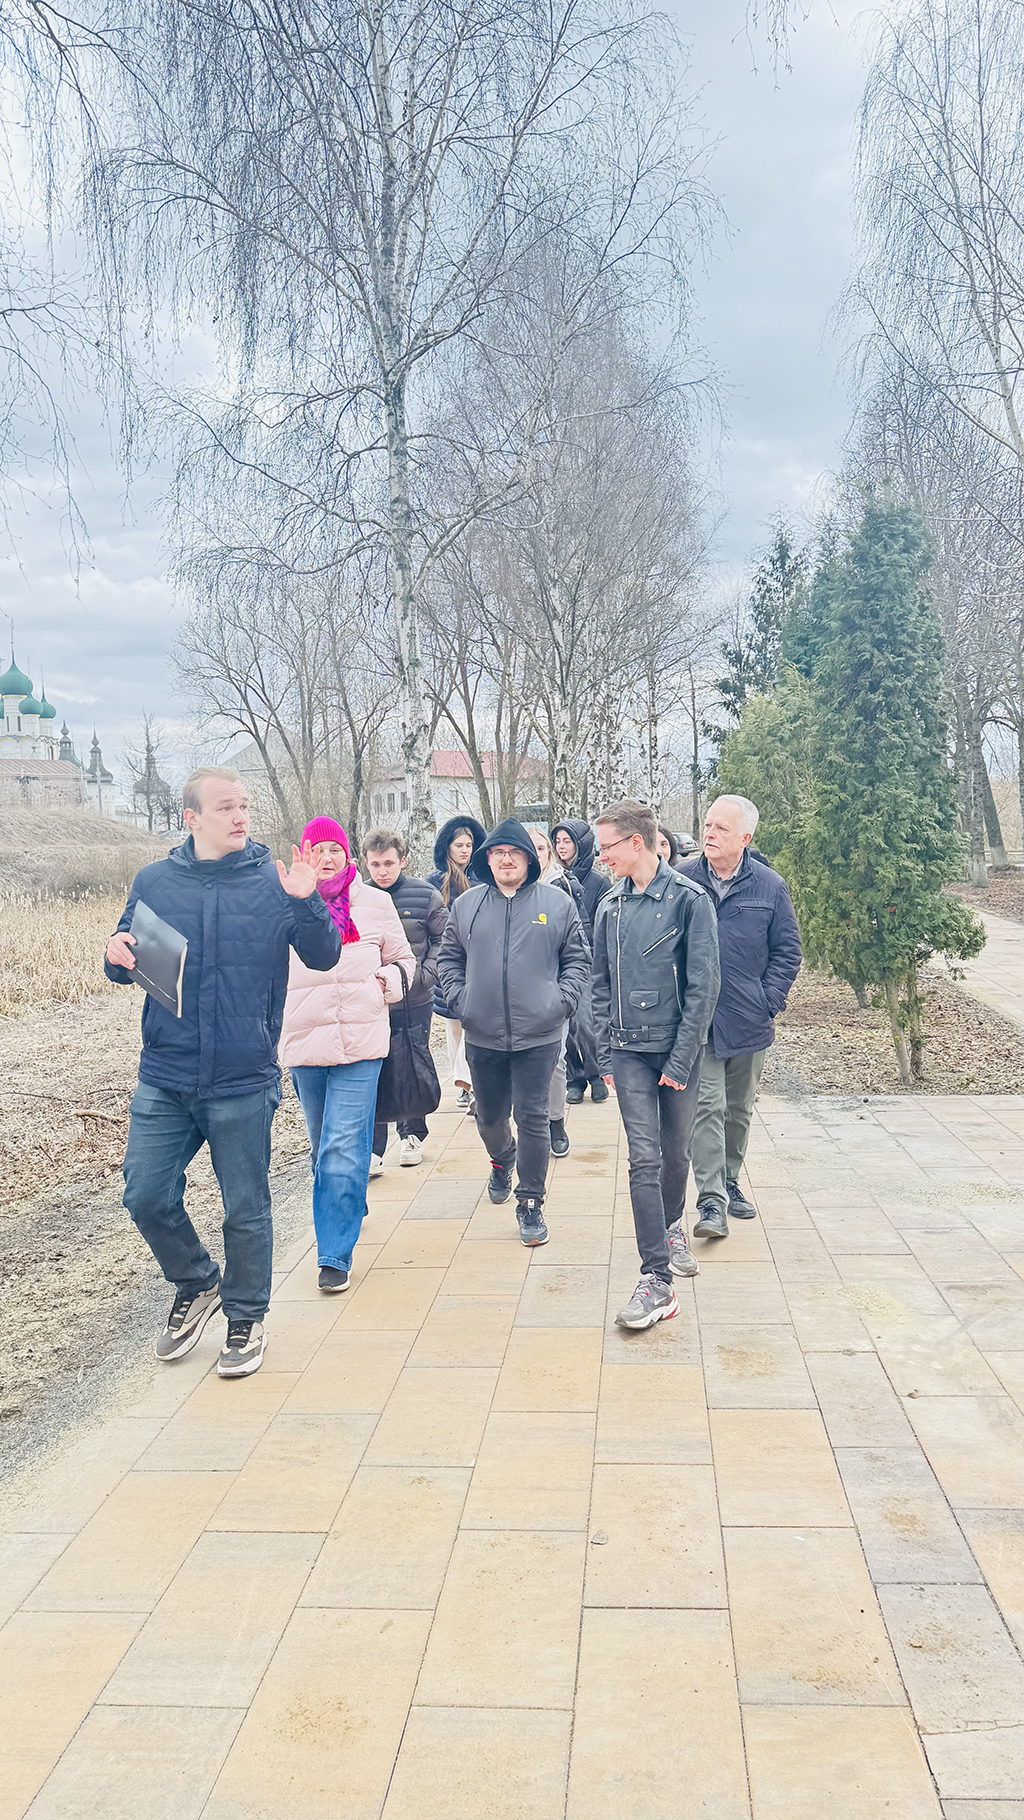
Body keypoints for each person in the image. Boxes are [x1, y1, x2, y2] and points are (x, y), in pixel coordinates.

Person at [104, 767, 341, 1379]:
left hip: (242, 1073)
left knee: (244, 1207)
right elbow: (128, 952)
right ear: (191, 818)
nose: (240, 817)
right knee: (145, 1193)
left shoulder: (273, 880)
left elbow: (324, 955)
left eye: (244, 806)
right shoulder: (154, 880)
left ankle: (245, 1317)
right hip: (166, 1071)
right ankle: (197, 1280)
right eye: (226, 807)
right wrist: (115, 952)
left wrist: (307, 900)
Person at [592, 799, 720, 1331]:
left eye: (607, 847)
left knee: (675, 1153)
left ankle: (671, 1224)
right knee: (643, 1159)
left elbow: (703, 987)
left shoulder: (691, 901)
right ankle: (656, 1280)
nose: (601, 857)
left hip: (677, 1050)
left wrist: (682, 1058)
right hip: (628, 1053)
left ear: (635, 842)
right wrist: (603, 1054)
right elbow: (598, 985)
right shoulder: (608, 906)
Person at [437, 818, 591, 1245]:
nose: (506, 860)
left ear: (529, 859)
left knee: (533, 1116)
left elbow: (577, 959)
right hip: (482, 1033)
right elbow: (448, 958)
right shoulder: (467, 906)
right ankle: (503, 1158)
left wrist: (561, 1002)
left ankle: (531, 1202)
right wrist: (462, 1001)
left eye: (515, 853)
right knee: (489, 1117)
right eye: (498, 853)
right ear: (487, 859)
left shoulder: (556, 904)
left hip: (539, 1034)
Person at [280, 817, 414, 1292]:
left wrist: (388, 982)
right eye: (316, 850)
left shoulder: (375, 903)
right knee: (324, 1145)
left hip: (362, 1042)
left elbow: (404, 959)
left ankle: (334, 1253)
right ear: (304, 855)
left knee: (341, 1145)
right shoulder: (286, 903)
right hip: (305, 1044)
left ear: (347, 855)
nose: (326, 858)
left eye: (334, 849)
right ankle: (349, 1199)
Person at [679, 794, 802, 1239]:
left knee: (738, 1109)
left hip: (749, 1020)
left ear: (745, 838)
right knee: (706, 1108)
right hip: (698, 1022)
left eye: (721, 828)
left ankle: (729, 1179)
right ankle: (711, 1202)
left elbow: (788, 951)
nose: (709, 833)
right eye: (708, 825)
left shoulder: (769, 886)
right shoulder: (682, 880)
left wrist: (767, 1000)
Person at [362, 827, 447, 1171]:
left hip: (415, 999)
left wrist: (423, 976)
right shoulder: (358, 898)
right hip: (372, 1002)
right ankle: (373, 1148)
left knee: (411, 1064)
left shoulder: (425, 896)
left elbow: (445, 940)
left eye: (388, 863)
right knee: (373, 1070)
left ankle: (412, 1134)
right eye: (375, 864)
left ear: (403, 861)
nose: (382, 871)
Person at [528, 827, 588, 1159]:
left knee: (555, 1059)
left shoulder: (564, 889)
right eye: (529, 848)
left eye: (541, 848)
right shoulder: (501, 891)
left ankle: (555, 1121)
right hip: (514, 998)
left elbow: (579, 947)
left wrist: (567, 994)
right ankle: (525, 1126)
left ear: (549, 854)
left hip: (554, 995)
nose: (535, 854)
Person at [427, 815, 487, 1108]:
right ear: (447, 847)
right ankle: (462, 1083)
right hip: (447, 963)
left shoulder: (483, 879)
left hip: (478, 962)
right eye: (458, 845)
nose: (464, 850)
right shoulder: (434, 883)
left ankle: (471, 1081)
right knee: (454, 1029)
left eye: (469, 845)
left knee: (472, 1023)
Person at [549, 817, 611, 1104]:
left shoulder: (599, 882)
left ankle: (596, 1074)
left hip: (588, 961)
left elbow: (604, 924)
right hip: (557, 960)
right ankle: (575, 1078)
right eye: (558, 841)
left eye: (568, 841)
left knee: (586, 1022)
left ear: (581, 844)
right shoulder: (552, 879)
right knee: (567, 1025)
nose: (562, 846)